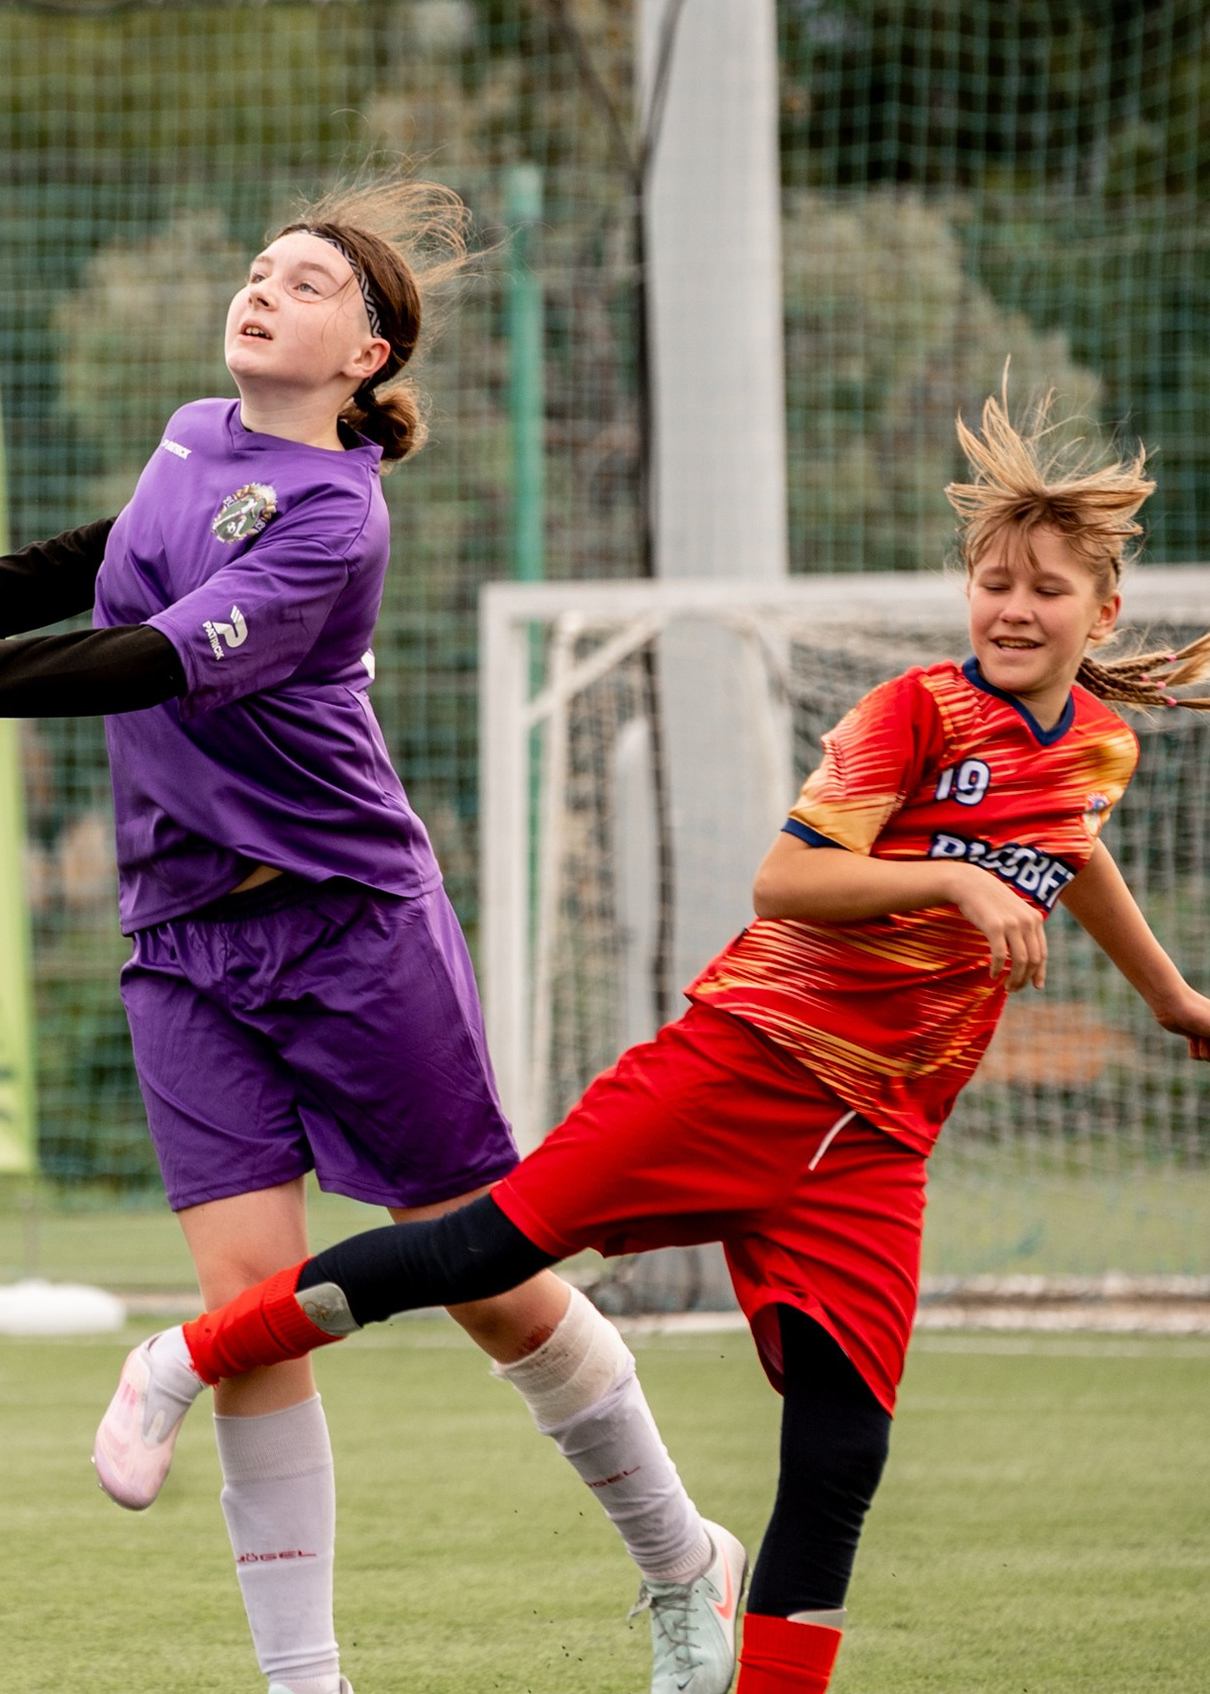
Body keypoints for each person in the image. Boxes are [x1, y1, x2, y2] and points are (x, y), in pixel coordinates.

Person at [120, 385, 1210, 1694]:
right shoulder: (913, 714)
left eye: (1044, 588)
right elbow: (788, 883)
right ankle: (192, 1352)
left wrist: (1170, 996)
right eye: (994, 582)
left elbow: (1070, 851)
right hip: (740, 1067)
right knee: (481, 1249)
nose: (1014, 608)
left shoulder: (1100, 744)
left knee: (841, 1452)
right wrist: (954, 886)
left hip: (875, 1143)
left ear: (1106, 612)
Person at [0, 183, 739, 1694]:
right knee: (250, 1314)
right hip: (181, 941)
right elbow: (122, 551)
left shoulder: (337, 515)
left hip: (348, 930)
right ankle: (305, 1683)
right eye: (259, 268)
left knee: (486, 1278)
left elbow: (147, 656)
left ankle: (683, 1556)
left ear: (368, 353)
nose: (263, 289)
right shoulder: (198, 430)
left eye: (308, 281)